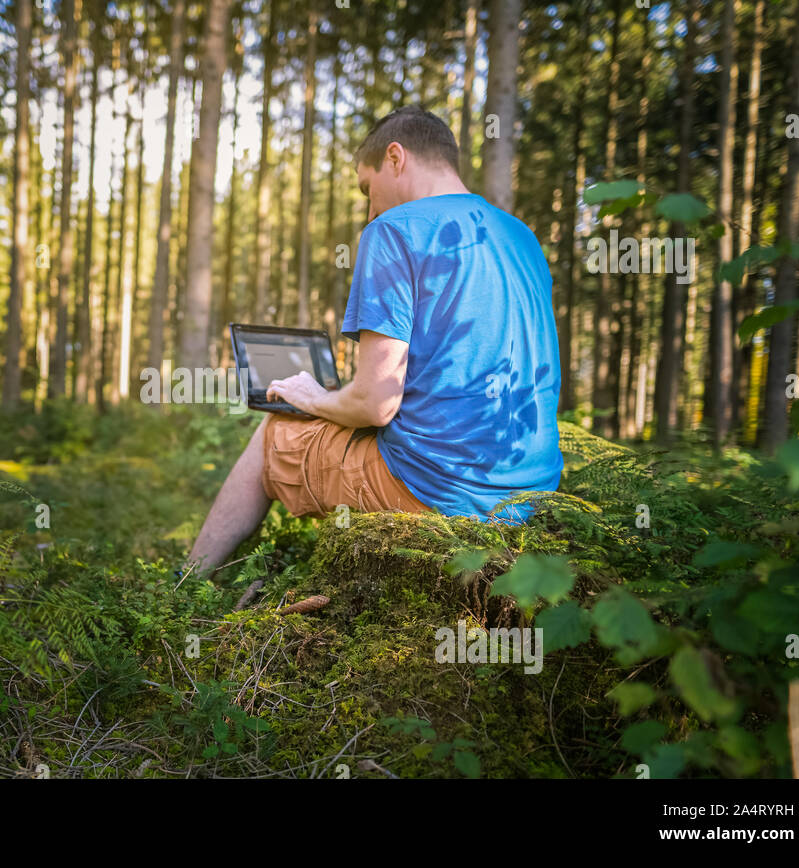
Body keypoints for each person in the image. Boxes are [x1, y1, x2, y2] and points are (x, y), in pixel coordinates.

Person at [182, 105, 563, 579]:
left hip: (438, 495)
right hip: (532, 494)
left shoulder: (393, 230)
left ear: (395, 157)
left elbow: (376, 405)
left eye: (367, 187)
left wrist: (314, 397)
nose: (370, 209)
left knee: (273, 433)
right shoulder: (521, 236)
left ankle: (187, 585)